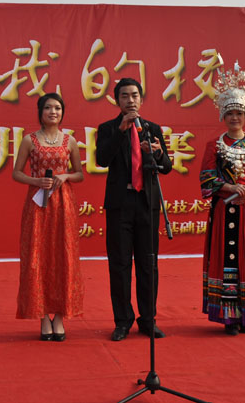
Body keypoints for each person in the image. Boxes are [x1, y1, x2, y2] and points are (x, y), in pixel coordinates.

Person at [96, 78, 172, 341]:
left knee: (148, 264)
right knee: (119, 264)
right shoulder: (108, 128)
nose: (130, 100)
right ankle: (123, 321)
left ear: (141, 98)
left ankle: (148, 320)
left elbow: (166, 167)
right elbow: (101, 159)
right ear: (117, 100)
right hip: (120, 204)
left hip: (147, 204)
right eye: (125, 96)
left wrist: (158, 153)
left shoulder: (152, 128)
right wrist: (121, 131)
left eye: (134, 95)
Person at [199, 62, 245, 335]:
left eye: (239, 113)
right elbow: (207, 178)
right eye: (230, 113)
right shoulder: (214, 145)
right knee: (227, 258)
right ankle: (229, 317)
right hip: (225, 210)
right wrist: (230, 188)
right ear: (223, 115)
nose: (234, 118)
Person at [13, 93, 85, 342]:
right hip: (38, 204)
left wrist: (65, 176)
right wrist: (36, 181)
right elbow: (16, 173)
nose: (53, 112)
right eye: (48, 108)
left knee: (63, 256)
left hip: (64, 204)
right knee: (37, 256)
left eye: (57, 108)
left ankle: (60, 317)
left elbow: (79, 174)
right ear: (40, 112)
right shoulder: (29, 140)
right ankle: (43, 315)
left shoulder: (69, 140)